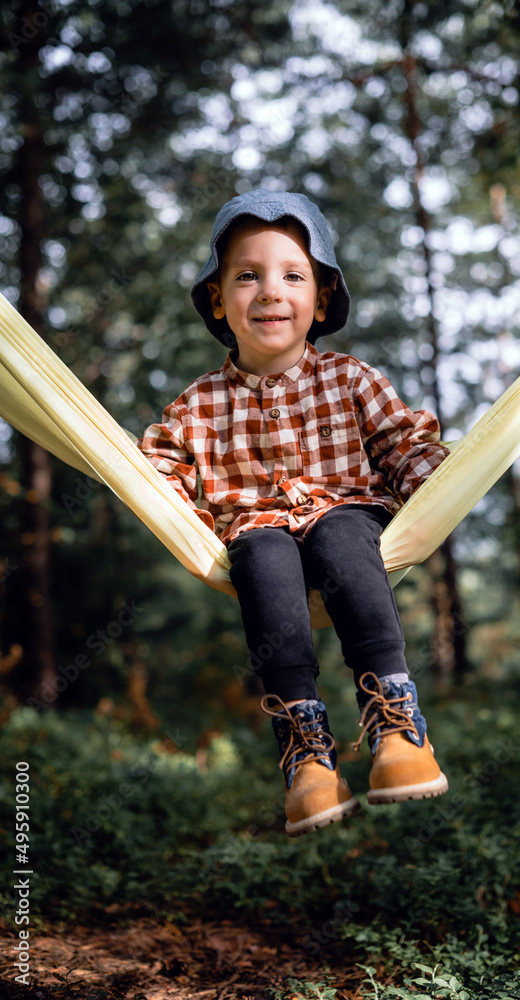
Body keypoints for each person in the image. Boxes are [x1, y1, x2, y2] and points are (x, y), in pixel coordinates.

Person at [138, 189, 450, 837]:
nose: (269, 291)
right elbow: (155, 473)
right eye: (246, 275)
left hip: (348, 523)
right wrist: (151, 494)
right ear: (219, 299)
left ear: (323, 299)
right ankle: (305, 752)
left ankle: (396, 726)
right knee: (263, 548)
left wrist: (445, 489)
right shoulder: (197, 405)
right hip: (258, 535)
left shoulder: (352, 380)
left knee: (338, 534)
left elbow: (404, 447)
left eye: (292, 275)